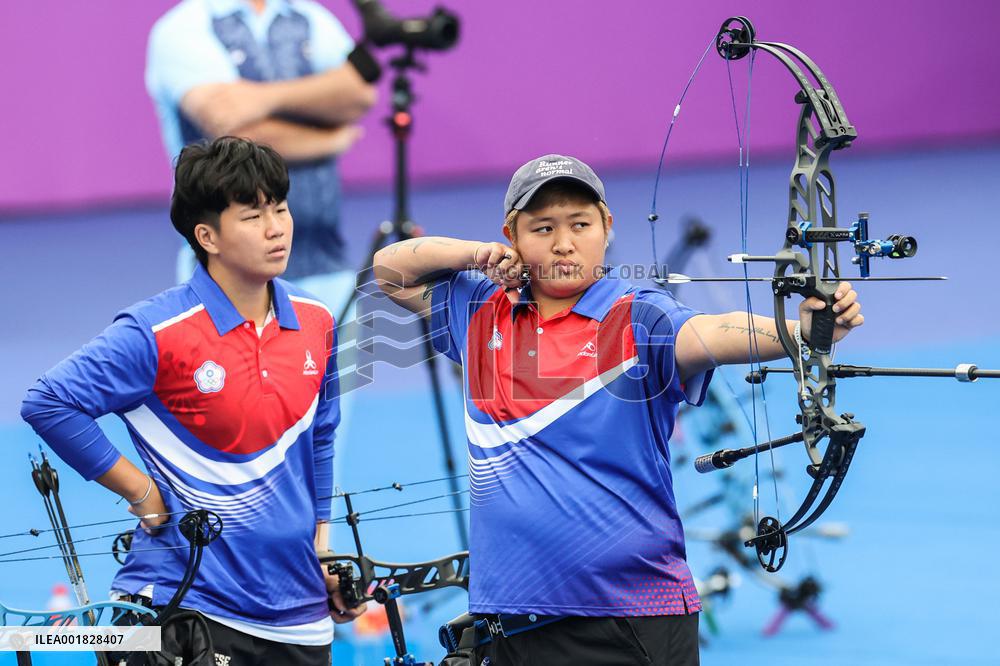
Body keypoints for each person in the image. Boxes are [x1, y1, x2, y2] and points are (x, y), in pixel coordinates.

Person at [372, 154, 864, 665]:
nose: (563, 243)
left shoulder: (638, 316)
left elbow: (711, 333)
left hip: (629, 620)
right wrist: (476, 254)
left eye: (580, 225)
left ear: (607, 227)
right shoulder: (479, 311)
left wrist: (801, 330)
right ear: (511, 237)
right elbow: (391, 269)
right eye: (542, 228)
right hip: (511, 622)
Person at [21, 137, 365, 666]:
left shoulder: (317, 320)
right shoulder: (158, 331)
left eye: (280, 208)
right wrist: (143, 495)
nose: (276, 227)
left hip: (299, 617)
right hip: (184, 610)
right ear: (207, 236)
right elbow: (49, 402)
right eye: (253, 215)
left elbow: (320, 436)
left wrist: (320, 549)